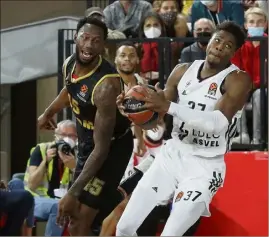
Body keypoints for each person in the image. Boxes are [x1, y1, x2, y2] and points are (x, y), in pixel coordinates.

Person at [116, 21, 252, 236]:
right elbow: (156, 121)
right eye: (217, 40)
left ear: (233, 52)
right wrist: (134, 114)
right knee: (124, 228)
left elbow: (216, 124)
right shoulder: (182, 71)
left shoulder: (238, 79)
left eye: (227, 45)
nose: (219, 46)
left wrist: (168, 106)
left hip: (205, 166)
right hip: (172, 155)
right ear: (209, 42)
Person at [37, 17, 133, 236]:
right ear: (76, 38)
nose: (89, 45)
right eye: (85, 38)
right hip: (88, 144)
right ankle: (111, 197)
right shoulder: (70, 63)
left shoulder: (106, 85)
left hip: (110, 150)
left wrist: (72, 192)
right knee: (73, 219)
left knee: (79, 222)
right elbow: (70, 91)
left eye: (96, 41)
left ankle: (111, 195)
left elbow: (101, 151)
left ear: (103, 46)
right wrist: (48, 112)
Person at [23, 119, 76, 236]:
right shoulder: (41, 150)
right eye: (63, 135)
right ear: (56, 136)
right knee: (58, 207)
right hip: (33, 199)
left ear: (76, 138)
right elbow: (32, 185)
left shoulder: (76, 155)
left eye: (71, 135)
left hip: (60, 200)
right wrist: (45, 162)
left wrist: (74, 167)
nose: (66, 139)